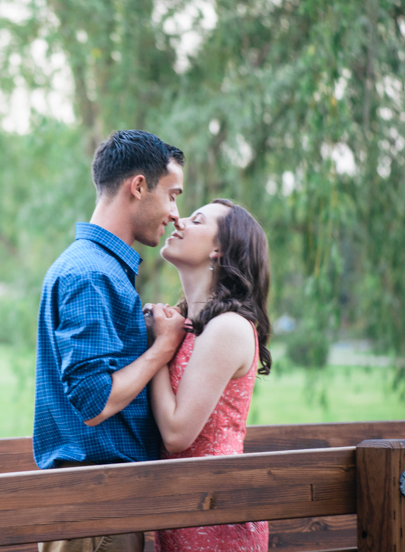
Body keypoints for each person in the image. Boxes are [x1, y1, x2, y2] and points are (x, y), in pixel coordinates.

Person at [33, 130, 189, 552]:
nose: (176, 213)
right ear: (138, 186)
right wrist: (162, 349)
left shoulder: (99, 269)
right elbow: (94, 401)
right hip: (96, 514)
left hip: (99, 507)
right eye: (172, 195)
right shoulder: (92, 274)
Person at [147, 198, 272, 552]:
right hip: (182, 508)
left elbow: (176, 434)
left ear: (219, 249)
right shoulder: (189, 326)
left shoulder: (228, 328)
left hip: (214, 513)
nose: (177, 220)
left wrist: (158, 347)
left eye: (196, 220)